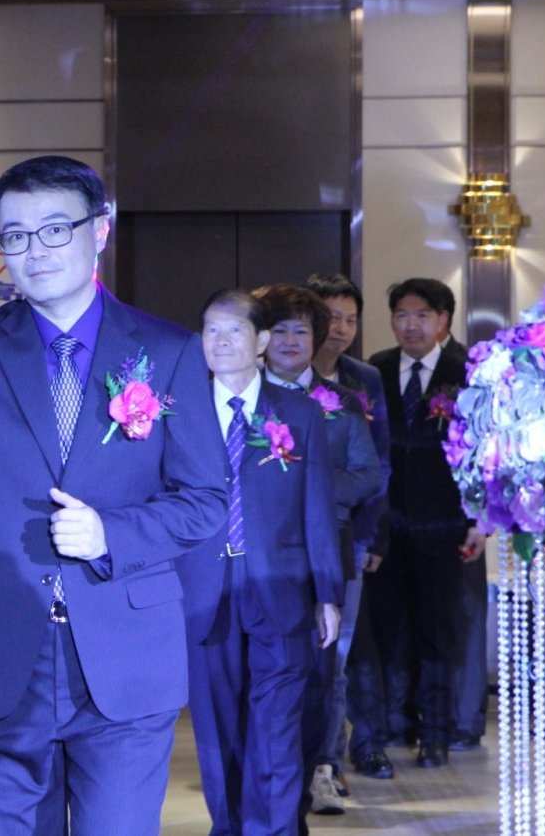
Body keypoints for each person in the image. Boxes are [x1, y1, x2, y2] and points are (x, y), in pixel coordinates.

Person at [0, 156, 228, 835]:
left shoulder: (168, 350)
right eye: (15, 236)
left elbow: (206, 499)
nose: (34, 251)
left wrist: (112, 534)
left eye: (55, 229)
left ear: (100, 230)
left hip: (123, 653)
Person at [179, 288, 342, 836]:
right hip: (204, 593)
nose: (221, 342)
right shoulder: (179, 413)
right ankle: (229, 826)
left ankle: (271, 829)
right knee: (218, 731)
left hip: (282, 589)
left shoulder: (298, 413)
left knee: (277, 729)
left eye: (234, 330)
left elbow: (317, 507)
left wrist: (327, 592)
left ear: (262, 342)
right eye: (211, 330)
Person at [255, 283, 386, 817]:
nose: (290, 341)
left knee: (327, 663)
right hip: (257, 552)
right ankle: (264, 772)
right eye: (279, 330)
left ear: (316, 339)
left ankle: (321, 769)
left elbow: (368, 474)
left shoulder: (344, 402)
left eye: (301, 331)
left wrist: (310, 491)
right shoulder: (241, 396)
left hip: (328, 547)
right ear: (262, 338)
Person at [361, 279, 484, 770]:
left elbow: (483, 451)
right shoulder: (375, 370)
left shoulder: (467, 371)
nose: (410, 325)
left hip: (444, 525)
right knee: (389, 630)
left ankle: (435, 734)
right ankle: (394, 725)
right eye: (401, 316)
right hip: (388, 526)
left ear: (443, 321)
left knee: (439, 633)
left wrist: (480, 519)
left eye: (422, 316)